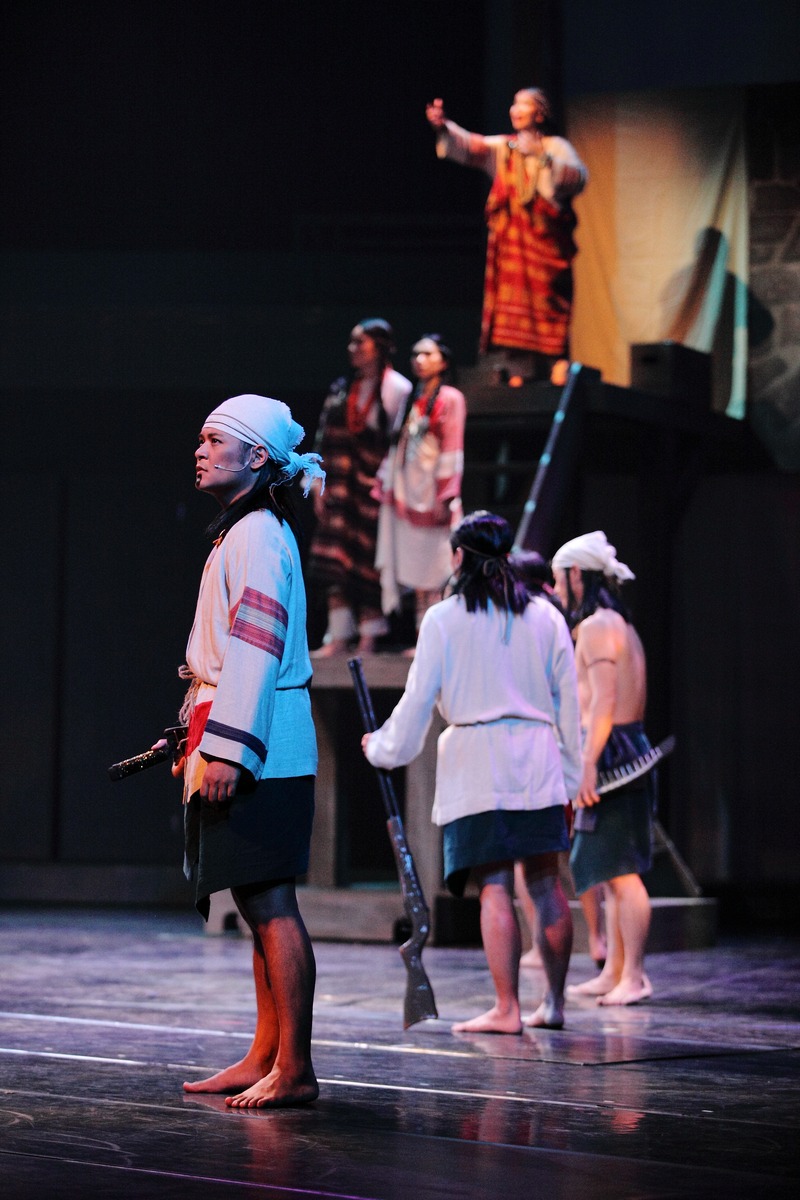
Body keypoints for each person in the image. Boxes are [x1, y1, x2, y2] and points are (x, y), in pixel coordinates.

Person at [362, 511, 581, 1033]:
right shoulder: (546, 617)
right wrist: (569, 780)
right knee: (546, 884)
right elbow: (569, 707)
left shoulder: (444, 619)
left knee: (496, 887)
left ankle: (508, 1009)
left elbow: (417, 702)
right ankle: (553, 1003)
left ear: (459, 557)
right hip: (537, 762)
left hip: (479, 763)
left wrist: (382, 748)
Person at [175, 393, 325, 1107]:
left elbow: (257, 646)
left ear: (257, 455)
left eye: (214, 439)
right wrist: (194, 734)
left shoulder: (260, 533)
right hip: (243, 731)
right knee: (255, 900)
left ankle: (295, 1066)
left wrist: (231, 750)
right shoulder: (241, 532)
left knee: (271, 901)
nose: (200, 450)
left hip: (265, 745)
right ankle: (266, 1052)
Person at [551, 531, 654, 1006]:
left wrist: (588, 764)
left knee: (623, 871)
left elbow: (605, 703)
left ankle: (634, 975)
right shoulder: (618, 624)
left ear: (577, 575)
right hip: (617, 749)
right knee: (610, 870)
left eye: (559, 580)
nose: (557, 590)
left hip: (613, 755)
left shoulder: (597, 627)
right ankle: (615, 970)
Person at [425, 90, 587, 385]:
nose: (516, 109)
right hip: (513, 244)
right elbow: (471, 145)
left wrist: (542, 157)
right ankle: (517, 369)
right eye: (514, 103)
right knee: (511, 304)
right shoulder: (505, 147)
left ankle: (556, 361)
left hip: (545, 244)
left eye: (524, 104)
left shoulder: (555, 146)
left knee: (549, 301)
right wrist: (444, 126)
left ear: (540, 113)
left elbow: (578, 178)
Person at [307, 319, 412, 655]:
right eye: (352, 343)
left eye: (360, 343)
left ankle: (369, 636)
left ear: (378, 347)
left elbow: (399, 445)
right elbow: (322, 440)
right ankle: (338, 636)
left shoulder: (397, 388)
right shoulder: (342, 389)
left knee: (368, 565)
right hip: (339, 487)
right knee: (335, 563)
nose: (352, 349)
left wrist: (389, 486)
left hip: (372, 490)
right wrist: (316, 481)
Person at [374, 333, 467, 645]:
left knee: (438, 567)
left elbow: (452, 447)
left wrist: (446, 494)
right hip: (408, 491)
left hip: (433, 492)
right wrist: (386, 482)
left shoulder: (451, 398)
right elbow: (398, 445)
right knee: (416, 571)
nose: (419, 360)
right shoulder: (413, 398)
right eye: (415, 354)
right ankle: (421, 639)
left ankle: (439, 639)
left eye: (428, 354)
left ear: (444, 361)